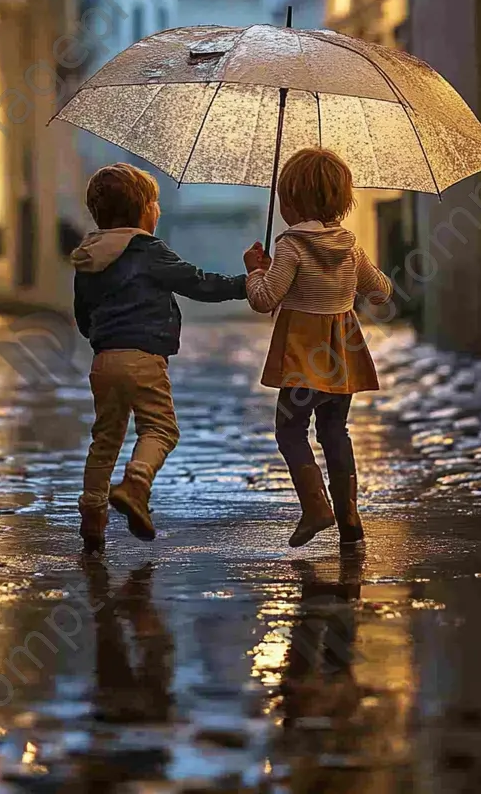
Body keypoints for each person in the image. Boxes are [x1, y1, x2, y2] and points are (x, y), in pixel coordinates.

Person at [72, 163, 247, 552]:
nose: (159, 210)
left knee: (105, 439)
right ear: (143, 210)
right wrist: (246, 284)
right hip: (144, 357)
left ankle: (92, 516)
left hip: (104, 360)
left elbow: (83, 313)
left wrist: (100, 337)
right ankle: (136, 484)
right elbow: (197, 282)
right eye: (155, 203)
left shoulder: (89, 256)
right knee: (160, 429)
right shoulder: (148, 251)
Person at [243, 147, 393, 548]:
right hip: (342, 356)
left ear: (290, 202)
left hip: (302, 358)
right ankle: (349, 517)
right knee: (334, 432)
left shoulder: (290, 246)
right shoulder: (350, 246)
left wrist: (255, 269)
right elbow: (380, 291)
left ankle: (315, 507)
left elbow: (264, 299)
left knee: (290, 429)